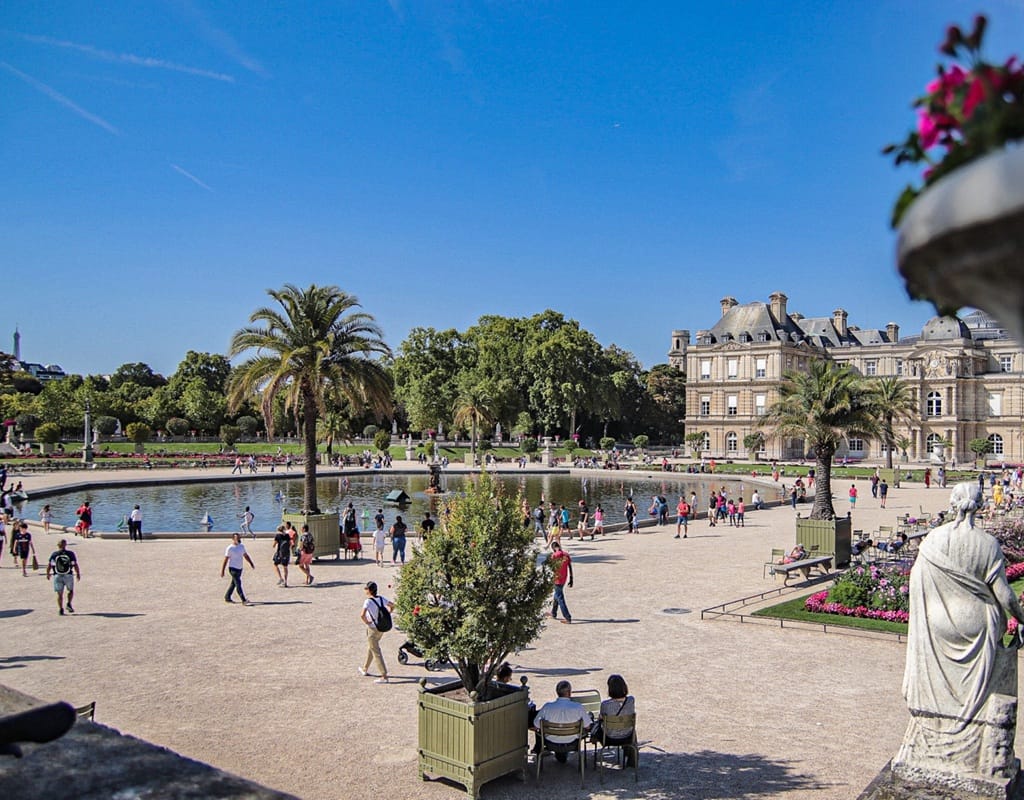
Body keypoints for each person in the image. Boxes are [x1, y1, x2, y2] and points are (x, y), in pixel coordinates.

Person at [894, 483, 1024, 787]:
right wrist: (1021, 617)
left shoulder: (933, 539)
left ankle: (930, 745)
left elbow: (917, 583)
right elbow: (1004, 595)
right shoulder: (987, 544)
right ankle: (978, 750)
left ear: (953, 503)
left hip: (938, 624)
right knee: (982, 694)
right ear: (979, 506)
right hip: (978, 626)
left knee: (940, 686)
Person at [532, 680, 592, 761]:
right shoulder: (578, 707)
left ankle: (538, 750)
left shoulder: (547, 707)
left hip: (551, 742)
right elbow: (588, 726)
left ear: (557, 692)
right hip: (572, 742)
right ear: (569, 692)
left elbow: (536, 725)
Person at [592, 674, 636, 766]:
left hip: (609, 737)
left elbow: (601, 718)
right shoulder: (631, 700)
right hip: (627, 736)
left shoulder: (605, 704)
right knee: (632, 729)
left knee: (598, 723)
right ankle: (632, 757)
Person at [359, 581, 393, 684]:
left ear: (369, 590)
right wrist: (389, 613)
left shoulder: (368, 601)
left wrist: (367, 622)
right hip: (381, 628)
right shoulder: (382, 598)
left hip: (372, 628)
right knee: (372, 647)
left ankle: (384, 676)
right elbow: (392, 605)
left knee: (376, 651)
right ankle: (365, 668)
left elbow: (362, 615)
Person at [46, 539, 80, 615]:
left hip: (57, 575)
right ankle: (68, 603)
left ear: (58, 546)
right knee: (70, 590)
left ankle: (60, 609)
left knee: (59, 594)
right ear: (65, 545)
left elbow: (50, 565)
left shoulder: (54, 554)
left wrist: (48, 574)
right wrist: (78, 573)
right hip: (68, 574)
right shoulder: (70, 554)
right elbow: (75, 564)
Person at [221, 532, 255, 604]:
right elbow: (226, 559)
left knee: (233, 583)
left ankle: (227, 597)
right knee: (238, 584)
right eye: (236, 538)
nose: (238, 539)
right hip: (233, 568)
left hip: (240, 568)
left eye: (239, 537)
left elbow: (245, 555)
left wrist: (251, 563)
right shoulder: (230, 548)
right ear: (233, 539)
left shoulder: (241, 546)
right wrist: (222, 570)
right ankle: (243, 600)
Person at [548, 541, 574, 624]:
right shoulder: (566, 554)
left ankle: (567, 617)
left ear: (553, 548)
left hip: (557, 579)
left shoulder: (554, 555)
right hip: (564, 578)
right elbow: (569, 566)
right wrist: (571, 578)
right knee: (557, 595)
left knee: (559, 597)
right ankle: (553, 613)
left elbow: (550, 566)